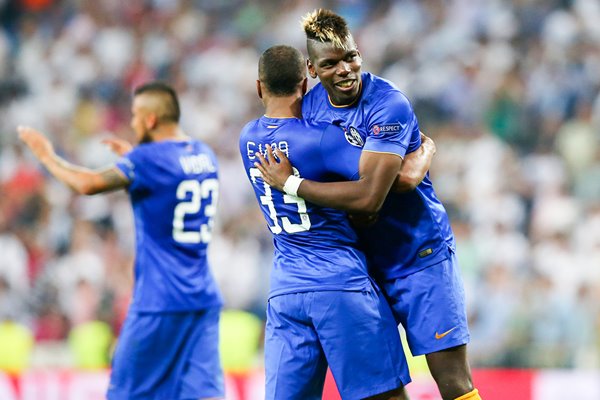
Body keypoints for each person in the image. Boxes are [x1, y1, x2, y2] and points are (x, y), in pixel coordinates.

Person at [255, 9, 481, 400]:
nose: (345, 69)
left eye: (350, 57)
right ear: (311, 70)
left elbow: (375, 193)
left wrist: (293, 183)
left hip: (419, 256)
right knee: (380, 391)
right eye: (331, 63)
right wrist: (416, 159)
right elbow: (392, 181)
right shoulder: (309, 112)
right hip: (363, 268)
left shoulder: (388, 103)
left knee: (453, 383)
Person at [18, 81, 224, 400]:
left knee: (125, 394)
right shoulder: (203, 154)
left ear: (151, 120)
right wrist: (134, 158)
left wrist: (47, 157)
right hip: (202, 298)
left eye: (135, 115)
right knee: (203, 394)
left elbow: (86, 184)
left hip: (159, 300)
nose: (131, 123)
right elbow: (169, 175)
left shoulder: (146, 160)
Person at [239, 44, 415, 400]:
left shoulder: (247, 139)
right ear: (306, 83)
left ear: (259, 87)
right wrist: (423, 151)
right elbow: (378, 188)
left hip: (286, 289)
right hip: (340, 283)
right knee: (385, 397)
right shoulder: (322, 138)